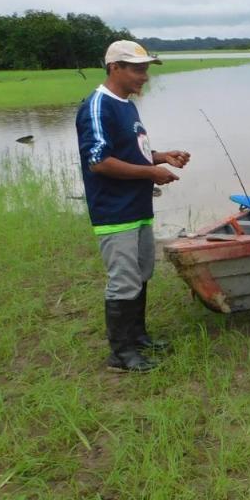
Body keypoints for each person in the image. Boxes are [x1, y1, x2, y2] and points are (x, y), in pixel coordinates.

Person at [75, 40, 190, 373]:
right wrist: (151, 172)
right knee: (123, 280)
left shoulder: (126, 105)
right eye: (138, 69)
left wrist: (161, 156)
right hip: (115, 212)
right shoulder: (98, 106)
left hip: (138, 208)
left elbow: (129, 153)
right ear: (115, 68)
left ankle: (138, 337)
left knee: (140, 275)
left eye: (147, 69)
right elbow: (99, 162)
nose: (145, 77)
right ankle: (121, 354)